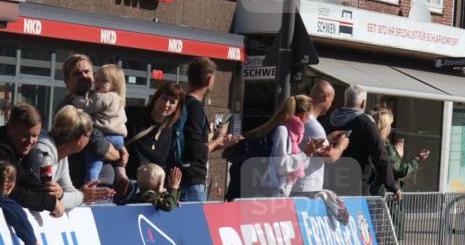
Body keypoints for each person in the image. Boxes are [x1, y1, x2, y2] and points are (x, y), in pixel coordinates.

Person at [55, 54, 126, 188]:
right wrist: (120, 154)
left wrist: (121, 148)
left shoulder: (103, 98)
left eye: (87, 71)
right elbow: (98, 146)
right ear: (67, 81)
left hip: (108, 189)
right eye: (77, 73)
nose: (84, 76)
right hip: (83, 188)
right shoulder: (69, 107)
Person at [27, 105, 117, 211]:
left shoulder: (62, 156)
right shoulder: (43, 153)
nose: (89, 140)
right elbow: (46, 198)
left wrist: (73, 196)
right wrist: (81, 196)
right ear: (79, 139)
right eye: (89, 136)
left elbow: (68, 192)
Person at [179, 57, 240, 202]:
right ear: (209, 80)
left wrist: (219, 144)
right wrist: (219, 138)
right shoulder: (195, 108)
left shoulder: (184, 103)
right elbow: (195, 150)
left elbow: (193, 147)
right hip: (192, 182)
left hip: (183, 179)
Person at [323, 84, 399, 199]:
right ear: (363, 103)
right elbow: (380, 156)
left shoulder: (328, 119)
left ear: (345, 100)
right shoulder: (365, 122)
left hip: (328, 184)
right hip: (357, 188)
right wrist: (392, 186)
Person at [244, 95, 325, 198]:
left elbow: (296, 166)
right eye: (308, 116)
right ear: (304, 114)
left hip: (280, 192)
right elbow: (282, 165)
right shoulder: (283, 130)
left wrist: (308, 153)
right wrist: (304, 154)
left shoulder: (294, 134)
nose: (308, 120)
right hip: (271, 193)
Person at [291, 81, 349, 198]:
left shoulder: (305, 119)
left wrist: (327, 139)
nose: (331, 104)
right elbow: (330, 157)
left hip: (300, 185)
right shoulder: (313, 125)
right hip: (306, 187)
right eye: (332, 101)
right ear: (326, 97)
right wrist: (341, 145)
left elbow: (312, 146)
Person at [125, 81, 186, 182]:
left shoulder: (174, 132)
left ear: (177, 108)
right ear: (156, 98)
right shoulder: (134, 115)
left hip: (155, 187)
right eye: (164, 98)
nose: (167, 104)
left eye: (172, 102)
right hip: (130, 181)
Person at [81, 63, 128, 186]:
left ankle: (91, 185)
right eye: (97, 79)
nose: (98, 83)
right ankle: (121, 174)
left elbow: (87, 107)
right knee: (119, 162)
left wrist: (75, 99)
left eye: (104, 81)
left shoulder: (103, 97)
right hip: (119, 139)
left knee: (93, 164)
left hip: (104, 135)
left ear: (115, 85)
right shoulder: (119, 99)